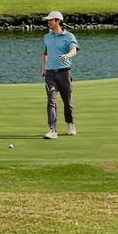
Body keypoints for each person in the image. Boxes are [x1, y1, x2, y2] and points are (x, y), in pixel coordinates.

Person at [42, 11, 78, 139]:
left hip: (64, 73)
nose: (48, 22)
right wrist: (44, 68)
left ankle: (70, 124)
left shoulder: (69, 36)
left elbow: (73, 50)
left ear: (58, 21)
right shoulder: (47, 37)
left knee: (67, 102)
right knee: (51, 101)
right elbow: (45, 53)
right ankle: (52, 130)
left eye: (50, 20)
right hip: (50, 74)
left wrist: (67, 55)